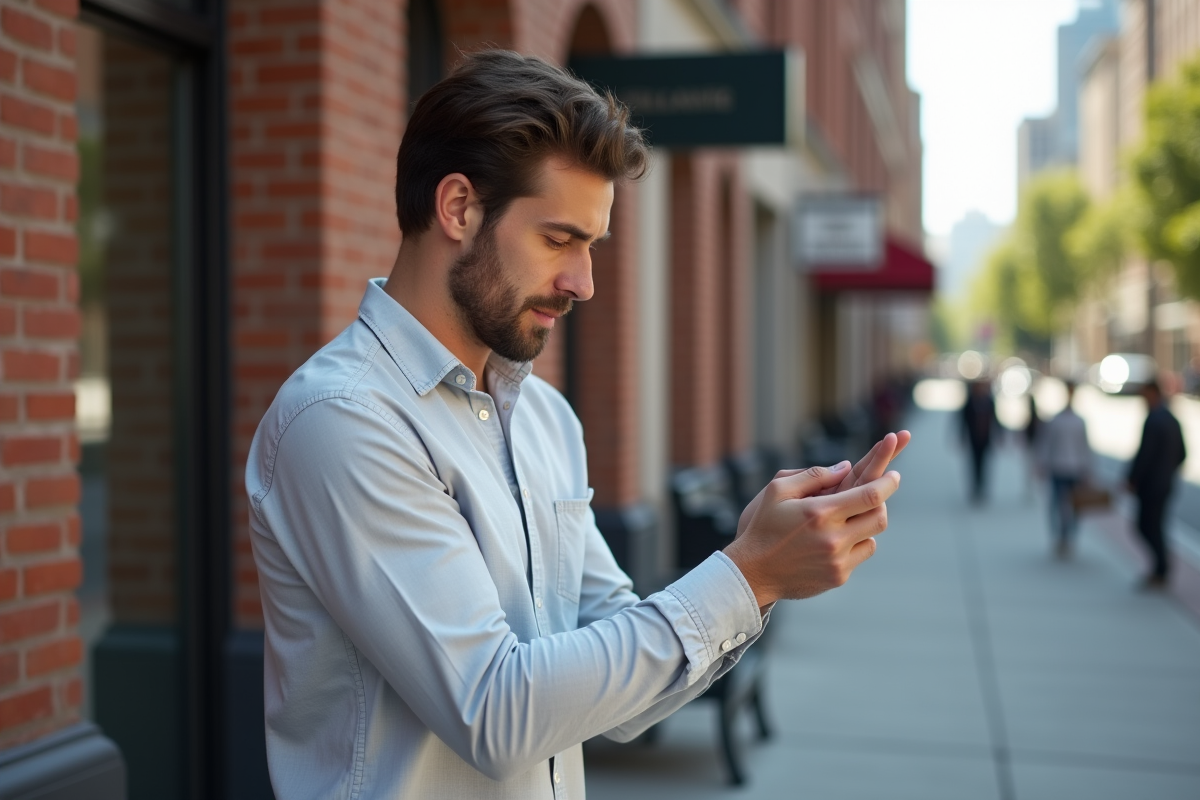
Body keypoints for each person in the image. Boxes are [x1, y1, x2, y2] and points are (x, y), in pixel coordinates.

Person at [245, 50, 909, 799]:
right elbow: (496, 713)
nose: (583, 282)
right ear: (458, 207)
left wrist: (760, 575)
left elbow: (621, 703)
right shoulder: (344, 421)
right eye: (559, 239)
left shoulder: (544, 419)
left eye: (592, 246)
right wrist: (746, 573)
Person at [1127, 379, 1187, 589]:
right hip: (1165, 483)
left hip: (1152, 485)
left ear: (1152, 393)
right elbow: (1182, 454)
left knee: (1147, 526)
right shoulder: (1170, 419)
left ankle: (1161, 568)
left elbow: (1145, 456)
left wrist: (1133, 479)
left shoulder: (1154, 420)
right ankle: (1160, 568)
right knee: (1156, 526)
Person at [1037, 381, 1091, 558]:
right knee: (1056, 504)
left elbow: (1085, 447)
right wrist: (1042, 464)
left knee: (1074, 506)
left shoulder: (1079, 421)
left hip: (1075, 469)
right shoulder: (1056, 420)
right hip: (1058, 467)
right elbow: (1046, 444)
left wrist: (1087, 469)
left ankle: (1069, 537)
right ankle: (1059, 536)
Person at [960, 378, 997, 503]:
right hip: (974, 438)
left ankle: (983, 486)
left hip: (986, 438)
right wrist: (961, 436)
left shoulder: (989, 401)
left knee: (985, 463)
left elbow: (995, 419)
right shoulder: (970, 402)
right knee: (974, 463)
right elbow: (962, 421)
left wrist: (1000, 434)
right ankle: (975, 487)